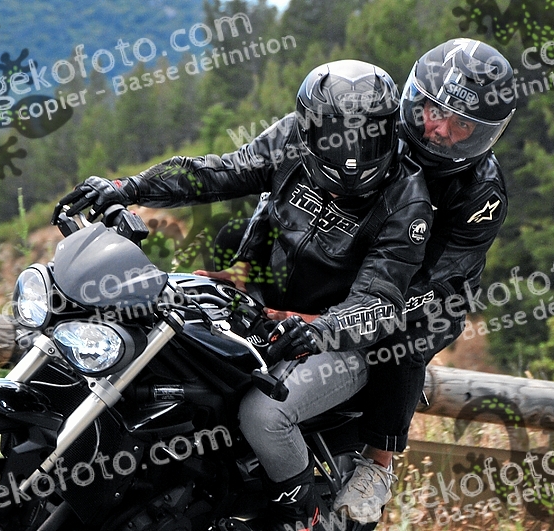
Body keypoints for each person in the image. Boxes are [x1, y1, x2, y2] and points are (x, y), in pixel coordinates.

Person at [54, 59, 433, 531]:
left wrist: (321, 329)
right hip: (257, 307)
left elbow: (378, 300)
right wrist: (126, 188)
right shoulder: (290, 140)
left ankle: (304, 516)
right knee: (157, 329)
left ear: (391, 128)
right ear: (308, 129)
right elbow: (216, 173)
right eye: (337, 136)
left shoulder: (407, 200)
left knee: (264, 414)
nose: (352, 153)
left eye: (368, 136)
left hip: (339, 341)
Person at [217, 38, 517, 526]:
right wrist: (242, 270)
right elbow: (281, 192)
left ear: (484, 134)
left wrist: (327, 321)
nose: (439, 129)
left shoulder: (481, 193)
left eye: (461, 125)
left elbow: (433, 280)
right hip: (352, 264)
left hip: (426, 291)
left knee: (404, 334)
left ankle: (378, 464)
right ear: (414, 99)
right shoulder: (378, 129)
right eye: (433, 111)